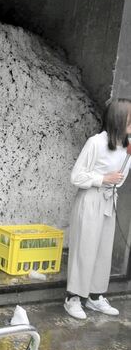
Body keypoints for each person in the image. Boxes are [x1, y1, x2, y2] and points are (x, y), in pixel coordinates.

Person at [64, 98, 131, 320]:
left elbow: (119, 181)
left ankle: (94, 296)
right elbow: (76, 176)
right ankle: (72, 298)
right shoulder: (95, 142)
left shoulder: (125, 145)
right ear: (119, 120)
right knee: (85, 250)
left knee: (103, 251)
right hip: (90, 200)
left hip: (109, 200)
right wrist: (103, 178)